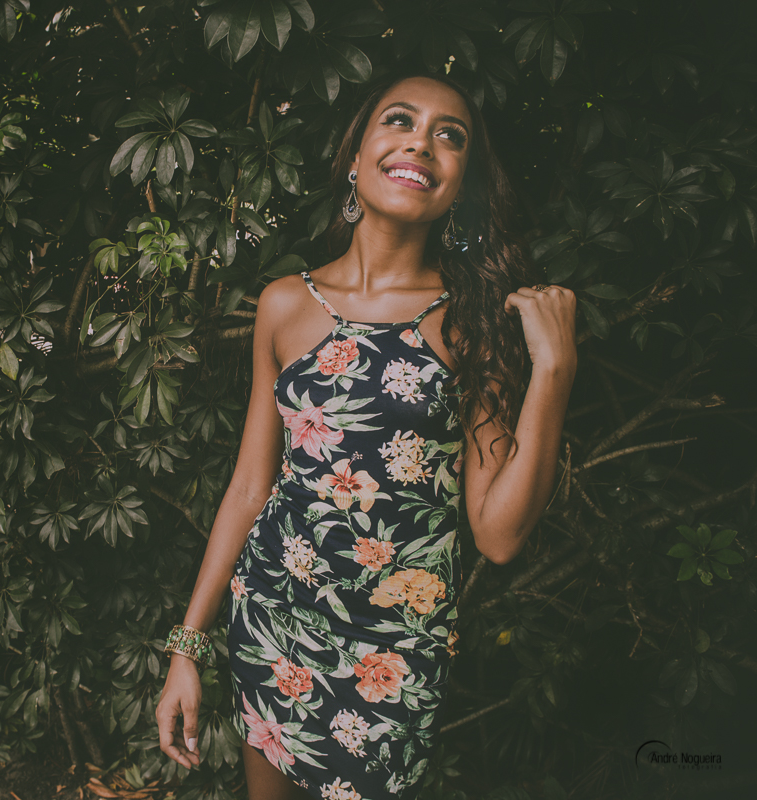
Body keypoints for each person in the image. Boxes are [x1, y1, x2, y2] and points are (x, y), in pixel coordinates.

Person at [156, 71, 578, 800]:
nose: (422, 141)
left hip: (395, 648)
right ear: (356, 158)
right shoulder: (284, 303)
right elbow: (252, 486)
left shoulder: (473, 320)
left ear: (462, 186)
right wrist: (186, 647)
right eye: (400, 120)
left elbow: (499, 535)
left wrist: (556, 370)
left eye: (451, 135)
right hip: (273, 613)